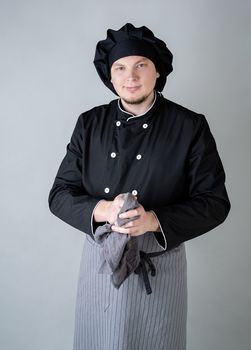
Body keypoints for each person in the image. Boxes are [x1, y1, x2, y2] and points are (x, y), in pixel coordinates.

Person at [48, 23, 230, 350]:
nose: (130, 76)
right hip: (101, 264)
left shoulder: (189, 126)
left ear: (157, 71)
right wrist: (105, 210)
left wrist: (152, 220)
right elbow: (59, 195)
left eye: (140, 65)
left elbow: (214, 202)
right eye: (120, 68)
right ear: (110, 76)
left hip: (158, 265)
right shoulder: (89, 124)